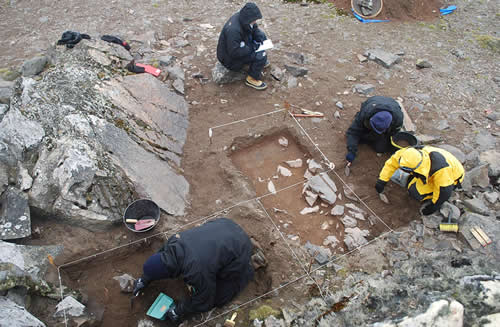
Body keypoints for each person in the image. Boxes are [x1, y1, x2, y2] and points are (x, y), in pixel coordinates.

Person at [132, 218, 266, 322]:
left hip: (239, 248)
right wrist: (144, 279)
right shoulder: (174, 241)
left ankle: (251, 263)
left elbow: (204, 301)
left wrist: (179, 311)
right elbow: (160, 254)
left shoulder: (196, 271)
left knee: (218, 298)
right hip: (224, 225)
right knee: (209, 265)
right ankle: (240, 243)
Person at [375, 146, 465, 215]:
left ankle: (426, 195)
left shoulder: (440, 171)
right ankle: (414, 180)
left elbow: (444, 192)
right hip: (439, 165)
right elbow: (391, 164)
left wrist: (433, 206)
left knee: (414, 191)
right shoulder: (408, 153)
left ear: (416, 168)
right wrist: (382, 180)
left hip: (452, 177)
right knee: (396, 175)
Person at [216, 2, 269, 90]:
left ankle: (258, 63)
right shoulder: (233, 30)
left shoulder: (244, 18)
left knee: (261, 36)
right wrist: (253, 48)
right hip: (229, 60)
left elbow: (254, 28)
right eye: (254, 20)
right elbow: (234, 52)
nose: (255, 21)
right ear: (248, 18)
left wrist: (260, 37)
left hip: (240, 45)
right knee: (261, 55)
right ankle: (252, 78)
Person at [345, 96, 404, 166]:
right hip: (374, 101)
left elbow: (393, 134)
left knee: (380, 148)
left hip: (391, 105)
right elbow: (353, 132)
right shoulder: (366, 113)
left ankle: (372, 136)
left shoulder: (398, 120)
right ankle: (368, 131)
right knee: (355, 135)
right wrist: (351, 151)